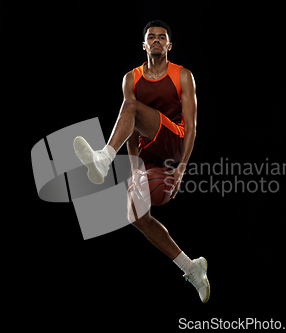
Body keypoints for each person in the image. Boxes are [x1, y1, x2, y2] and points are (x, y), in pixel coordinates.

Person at [73, 20, 209, 302]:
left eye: (162, 37)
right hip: (148, 145)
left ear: (169, 46)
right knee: (135, 216)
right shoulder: (130, 79)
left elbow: (193, 127)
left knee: (131, 107)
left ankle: (103, 158)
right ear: (144, 45)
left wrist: (182, 166)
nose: (156, 40)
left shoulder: (183, 76)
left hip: (174, 141)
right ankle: (191, 267)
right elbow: (130, 129)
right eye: (151, 37)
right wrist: (135, 170)